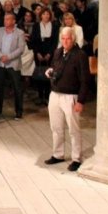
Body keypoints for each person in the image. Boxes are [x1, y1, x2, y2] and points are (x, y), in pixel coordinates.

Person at [43, 26, 91, 172]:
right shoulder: (58, 52)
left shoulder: (80, 55)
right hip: (55, 94)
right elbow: (55, 67)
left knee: (73, 129)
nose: (65, 41)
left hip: (71, 96)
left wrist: (81, 101)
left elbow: (85, 80)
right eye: (63, 38)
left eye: (68, 38)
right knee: (56, 127)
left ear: (73, 39)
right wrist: (50, 71)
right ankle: (58, 154)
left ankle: (76, 158)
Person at [0, 13, 26, 119]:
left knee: (17, 88)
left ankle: (18, 111)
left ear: (13, 21)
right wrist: (1, 55)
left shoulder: (20, 33)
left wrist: (9, 57)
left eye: (8, 19)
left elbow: (21, 49)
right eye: (5, 19)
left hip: (13, 64)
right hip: (1, 63)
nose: (5, 21)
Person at [31, 8, 59, 106]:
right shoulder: (36, 26)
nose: (46, 16)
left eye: (48, 14)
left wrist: (49, 54)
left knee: (49, 74)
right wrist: (37, 53)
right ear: (41, 15)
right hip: (38, 52)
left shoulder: (54, 26)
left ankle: (47, 96)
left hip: (49, 53)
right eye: (44, 14)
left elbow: (55, 41)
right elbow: (33, 41)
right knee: (39, 74)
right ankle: (40, 96)